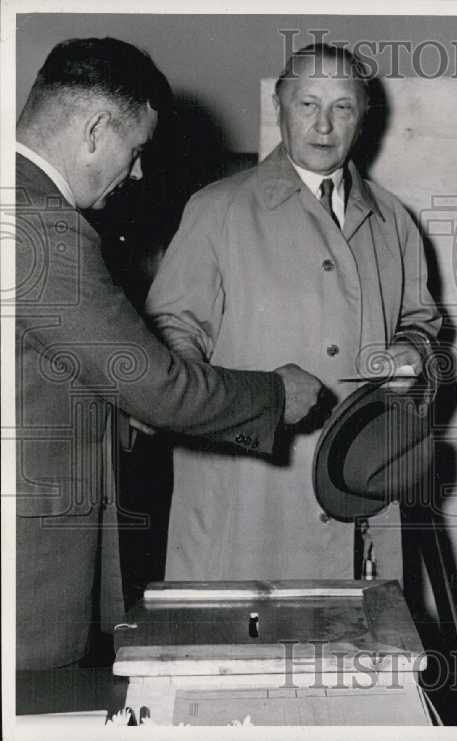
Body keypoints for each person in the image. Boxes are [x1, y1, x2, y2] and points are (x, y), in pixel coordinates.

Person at [14, 37, 325, 670]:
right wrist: (276, 393)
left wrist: (127, 410)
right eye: (135, 151)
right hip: (28, 567)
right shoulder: (42, 224)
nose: (136, 173)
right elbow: (156, 385)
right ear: (95, 130)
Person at [145, 43, 441, 582]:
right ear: (278, 108)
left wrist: (411, 350)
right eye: (308, 104)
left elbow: (421, 322)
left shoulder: (393, 220)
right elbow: (173, 341)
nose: (324, 125)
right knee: (247, 627)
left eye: (342, 107)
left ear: (363, 117)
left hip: (359, 480)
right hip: (249, 492)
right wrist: (221, 409)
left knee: (353, 630)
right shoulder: (217, 209)